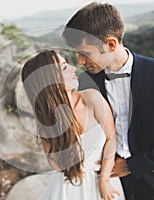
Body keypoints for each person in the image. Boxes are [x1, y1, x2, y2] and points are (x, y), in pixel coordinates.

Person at [62, 2, 154, 200]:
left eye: (85, 53)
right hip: (100, 183)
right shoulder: (84, 83)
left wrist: (130, 166)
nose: (80, 61)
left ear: (111, 44)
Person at [21, 50, 126, 200]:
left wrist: (104, 180)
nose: (73, 68)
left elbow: (111, 139)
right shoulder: (45, 122)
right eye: (64, 67)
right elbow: (56, 165)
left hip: (104, 181)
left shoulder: (92, 98)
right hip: (69, 187)